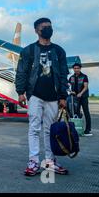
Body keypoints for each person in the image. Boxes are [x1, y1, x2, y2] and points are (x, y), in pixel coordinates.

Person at [15, 18, 69, 177]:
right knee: (34, 128)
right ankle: (33, 161)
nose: (48, 29)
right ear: (37, 30)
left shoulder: (59, 51)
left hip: (53, 97)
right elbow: (22, 72)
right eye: (44, 27)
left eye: (49, 27)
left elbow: (64, 75)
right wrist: (20, 92)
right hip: (35, 95)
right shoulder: (29, 50)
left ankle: (50, 161)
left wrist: (63, 96)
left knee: (49, 130)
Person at [69, 63, 92, 136]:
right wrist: (70, 91)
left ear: (80, 68)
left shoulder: (84, 76)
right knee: (76, 113)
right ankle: (78, 129)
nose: (76, 69)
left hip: (83, 97)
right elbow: (68, 86)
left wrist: (81, 93)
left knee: (86, 112)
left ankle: (88, 130)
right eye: (75, 68)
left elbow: (85, 87)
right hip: (75, 98)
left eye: (77, 68)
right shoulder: (71, 77)